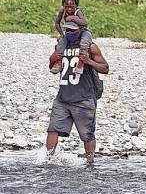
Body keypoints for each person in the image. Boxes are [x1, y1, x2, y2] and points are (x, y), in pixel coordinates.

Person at [47, 22, 109, 163]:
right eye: (67, 30)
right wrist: (53, 59)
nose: (69, 33)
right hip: (62, 98)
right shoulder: (61, 46)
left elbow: (105, 68)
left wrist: (88, 62)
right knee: (52, 129)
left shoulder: (91, 47)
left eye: (72, 30)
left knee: (87, 135)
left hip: (84, 99)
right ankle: (48, 161)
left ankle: (90, 163)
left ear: (80, 31)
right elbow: (51, 66)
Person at [50, 0, 93, 75]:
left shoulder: (78, 12)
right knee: (61, 42)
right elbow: (57, 23)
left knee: (86, 39)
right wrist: (61, 33)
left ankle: (81, 62)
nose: (69, 9)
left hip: (80, 31)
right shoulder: (62, 11)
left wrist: (73, 18)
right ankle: (58, 63)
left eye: (72, 6)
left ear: (76, 5)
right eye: (67, 6)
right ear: (63, 5)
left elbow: (84, 23)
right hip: (69, 32)